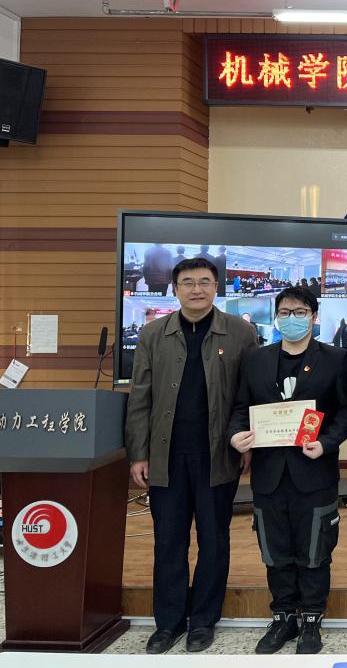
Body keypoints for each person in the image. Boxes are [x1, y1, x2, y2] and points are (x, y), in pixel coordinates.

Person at [125, 257, 257, 654]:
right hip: (166, 455)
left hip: (218, 454)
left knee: (214, 541)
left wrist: (247, 443)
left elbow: (249, 395)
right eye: (187, 282)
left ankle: (203, 620)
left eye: (204, 281)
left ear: (216, 287)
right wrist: (139, 453)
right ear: (175, 288)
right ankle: (167, 623)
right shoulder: (153, 333)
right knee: (169, 541)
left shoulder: (240, 333)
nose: (196, 289)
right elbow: (140, 398)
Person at [228, 286, 347, 655]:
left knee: (315, 549)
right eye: (284, 312)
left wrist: (327, 443)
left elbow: (346, 411)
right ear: (277, 317)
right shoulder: (256, 359)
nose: (291, 318)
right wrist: (235, 435)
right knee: (275, 550)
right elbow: (240, 406)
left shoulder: (335, 358)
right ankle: (283, 616)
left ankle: (312, 618)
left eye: (300, 312)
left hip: (314, 470)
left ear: (314, 317)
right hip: (268, 474)